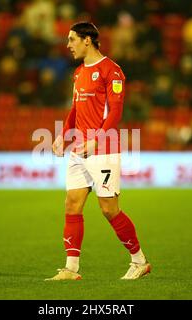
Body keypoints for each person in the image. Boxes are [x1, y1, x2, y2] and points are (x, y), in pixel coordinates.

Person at [47, 22, 151, 280]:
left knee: (108, 209)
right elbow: (74, 110)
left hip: (103, 149)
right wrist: (62, 136)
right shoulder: (79, 73)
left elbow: (115, 112)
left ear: (87, 40)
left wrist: (96, 140)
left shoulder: (111, 71)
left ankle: (139, 261)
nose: (68, 45)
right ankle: (71, 269)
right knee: (72, 205)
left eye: (72, 40)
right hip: (79, 150)